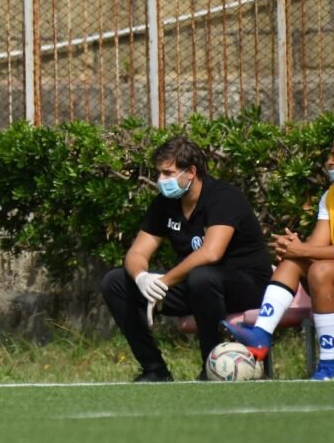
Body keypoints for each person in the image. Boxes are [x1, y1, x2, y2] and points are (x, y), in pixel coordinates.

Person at [100, 136, 271, 381]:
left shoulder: (223, 196)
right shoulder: (164, 203)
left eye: (167, 173)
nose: (161, 180)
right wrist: (142, 279)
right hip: (197, 287)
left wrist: (164, 283)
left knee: (202, 277)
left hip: (247, 285)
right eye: (159, 173)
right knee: (115, 281)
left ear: (190, 172)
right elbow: (137, 253)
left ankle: (210, 367)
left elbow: (211, 253)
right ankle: (154, 369)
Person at [224, 141, 334, 380]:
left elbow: (313, 252)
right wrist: (294, 249)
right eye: (330, 156)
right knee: (294, 263)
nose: (330, 163)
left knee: (321, 270)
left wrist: (301, 249)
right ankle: (261, 335)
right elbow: (317, 247)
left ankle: (330, 364)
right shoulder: (330, 196)